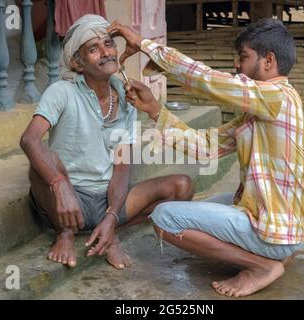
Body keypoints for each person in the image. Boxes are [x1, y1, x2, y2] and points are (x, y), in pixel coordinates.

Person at [108, 18, 304, 297]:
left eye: (243, 58)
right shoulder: (260, 109)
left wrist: (146, 45)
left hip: (278, 231)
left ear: (268, 61)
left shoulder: (278, 97)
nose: (238, 67)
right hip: (283, 224)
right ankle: (276, 252)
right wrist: (155, 110)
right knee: (203, 206)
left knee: (164, 218)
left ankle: (262, 264)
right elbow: (205, 147)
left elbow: (206, 80)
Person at [20, 14, 194, 270]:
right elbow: (29, 139)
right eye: (93, 48)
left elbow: (122, 166)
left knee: (182, 186)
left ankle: (108, 230)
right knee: (42, 163)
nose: (106, 52)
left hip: (106, 200)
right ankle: (65, 233)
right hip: (68, 201)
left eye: (109, 44)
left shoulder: (126, 96)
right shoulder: (62, 92)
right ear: (78, 64)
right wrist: (59, 185)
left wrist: (112, 214)